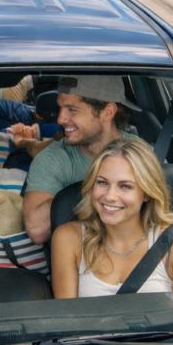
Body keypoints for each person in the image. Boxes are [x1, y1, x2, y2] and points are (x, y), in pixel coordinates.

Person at [50, 138, 173, 298]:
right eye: (102, 182)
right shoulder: (68, 238)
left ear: (147, 194)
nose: (110, 196)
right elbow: (67, 319)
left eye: (125, 186)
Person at [23, 76, 142, 244]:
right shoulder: (53, 158)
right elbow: (37, 231)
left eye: (72, 109)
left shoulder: (142, 156)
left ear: (107, 112)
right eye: (60, 108)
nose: (60, 119)